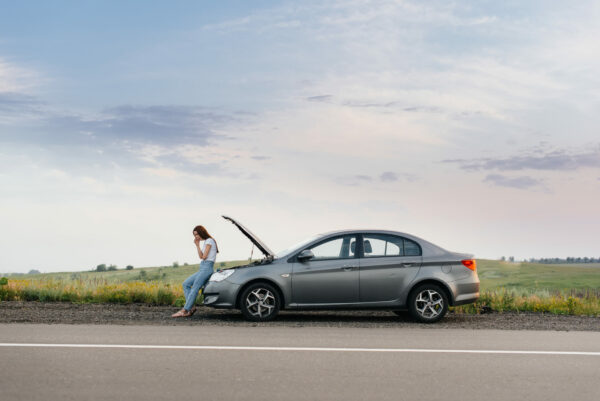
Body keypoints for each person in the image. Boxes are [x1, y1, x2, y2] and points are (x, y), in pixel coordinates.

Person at [172, 225, 219, 317]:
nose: (196, 237)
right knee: (186, 284)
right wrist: (197, 245)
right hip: (202, 267)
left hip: (207, 268)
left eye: (197, 234)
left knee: (195, 288)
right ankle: (191, 307)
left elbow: (204, 257)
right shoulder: (206, 242)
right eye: (194, 235)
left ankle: (185, 310)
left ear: (202, 232)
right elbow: (201, 257)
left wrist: (200, 249)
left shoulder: (210, 240)